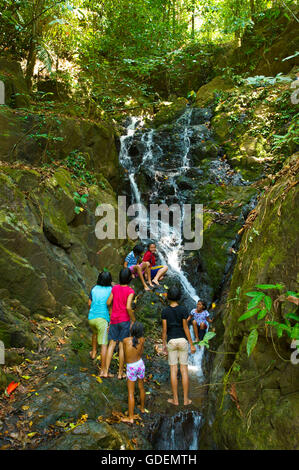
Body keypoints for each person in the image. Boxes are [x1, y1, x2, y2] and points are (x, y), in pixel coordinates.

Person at [162, 285, 196, 406]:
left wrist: (163, 344)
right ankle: (186, 400)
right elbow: (186, 328)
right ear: (179, 297)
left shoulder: (165, 311)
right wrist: (191, 344)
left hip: (171, 341)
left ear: (168, 297)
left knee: (173, 370)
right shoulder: (183, 310)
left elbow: (165, 330)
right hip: (182, 341)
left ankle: (175, 399)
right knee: (184, 371)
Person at [103, 268, 135, 379]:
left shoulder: (115, 288)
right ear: (130, 278)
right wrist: (133, 320)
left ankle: (106, 372)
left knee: (111, 344)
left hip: (114, 320)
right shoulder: (130, 291)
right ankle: (120, 373)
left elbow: (108, 302)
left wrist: (112, 312)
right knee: (122, 346)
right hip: (125, 321)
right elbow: (128, 307)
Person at [88, 271, 112, 375]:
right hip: (102, 320)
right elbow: (110, 305)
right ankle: (103, 370)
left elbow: (89, 303)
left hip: (91, 318)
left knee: (94, 333)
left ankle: (93, 352)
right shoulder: (111, 290)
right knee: (104, 344)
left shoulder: (94, 289)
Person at [121, 321, 146, 424]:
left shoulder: (126, 341)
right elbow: (141, 352)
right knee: (141, 387)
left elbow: (123, 355)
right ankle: (142, 408)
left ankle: (130, 418)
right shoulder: (142, 340)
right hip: (140, 364)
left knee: (131, 393)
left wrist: (121, 368)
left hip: (131, 367)